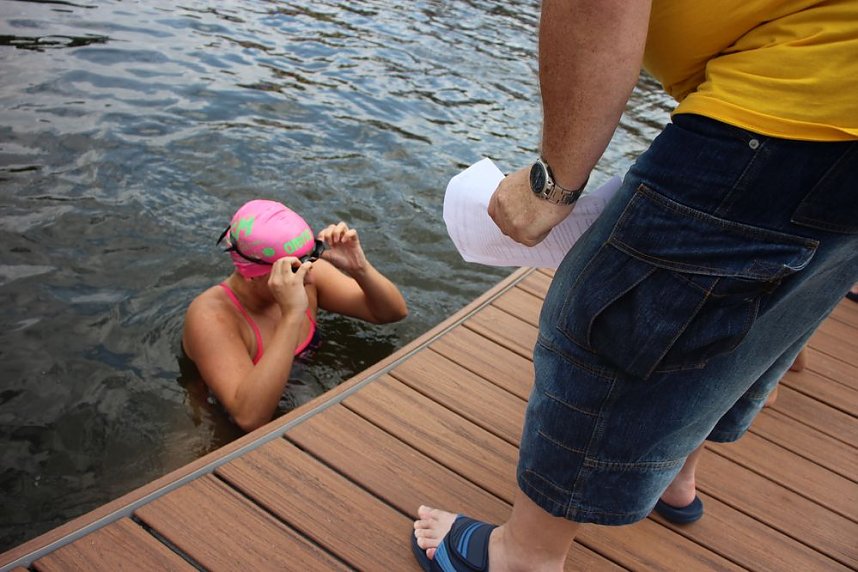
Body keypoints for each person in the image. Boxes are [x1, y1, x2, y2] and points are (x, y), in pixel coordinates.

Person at [412, 1, 857, 570]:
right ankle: (678, 478)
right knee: (761, 306)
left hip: (776, 112)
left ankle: (524, 556)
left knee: (613, 320)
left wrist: (551, 183)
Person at [182, 199, 407, 432]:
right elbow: (249, 417)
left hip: (300, 394)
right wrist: (292, 315)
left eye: (312, 258)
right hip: (225, 430)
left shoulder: (307, 272)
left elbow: (392, 312)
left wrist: (360, 268)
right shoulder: (211, 317)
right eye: (294, 269)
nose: (309, 278)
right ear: (250, 274)